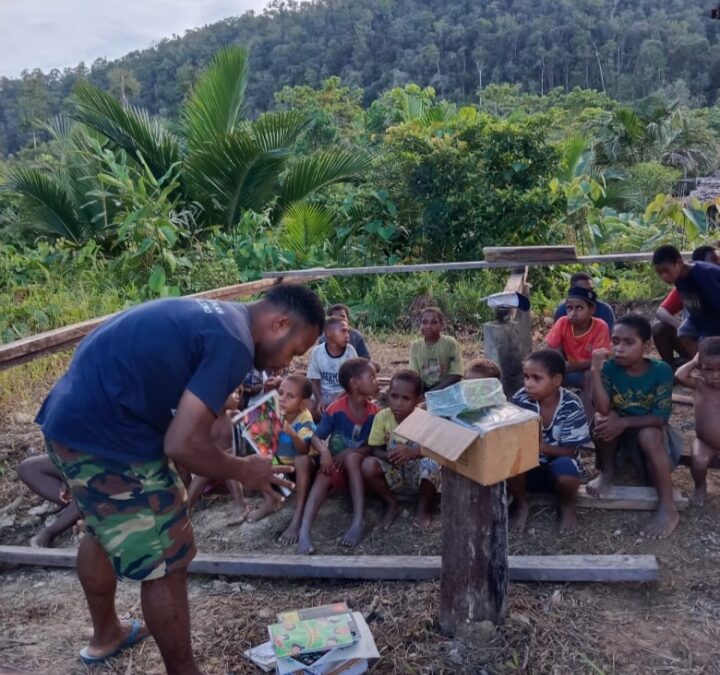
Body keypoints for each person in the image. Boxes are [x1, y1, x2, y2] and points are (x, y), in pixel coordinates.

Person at [35, 284, 324, 673]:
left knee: (102, 527)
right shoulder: (235, 343)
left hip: (68, 422)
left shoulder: (218, 316)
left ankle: (107, 634)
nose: (283, 366)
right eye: (293, 351)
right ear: (280, 323)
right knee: (168, 558)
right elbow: (183, 443)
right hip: (110, 440)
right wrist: (244, 469)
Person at [588, 314, 681, 539]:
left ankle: (668, 508)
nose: (619, 348)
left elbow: (660, 417)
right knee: (602, 420)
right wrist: (595, 372)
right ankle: (607, 472)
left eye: (629, 342)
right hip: (620, 430)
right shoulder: (609, 368)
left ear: (646, 346)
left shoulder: (661, 370)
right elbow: (601, 407)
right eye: (615, 341)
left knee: (648, 435)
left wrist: (624, 421)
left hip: (651, 431)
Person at [296, 358, 381, 555]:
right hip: (338, 469)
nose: (376, 381)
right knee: (325, 472)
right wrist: (325, 452)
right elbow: (316, 437)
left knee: (352, 458)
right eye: (372, 377)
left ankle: (358, 521)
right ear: (354, 383)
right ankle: (304, 531)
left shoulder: (375, 413)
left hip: (361, 472)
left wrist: (348, 453)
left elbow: (371, 447)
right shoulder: (335, 409)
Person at [508, 349, 590, 533]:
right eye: (526, 377)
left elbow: (570, 451)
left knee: (566, 469)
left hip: (558, 467)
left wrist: (539, 448)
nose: (528, 384)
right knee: (510, 461)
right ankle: (521, 504)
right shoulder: (521, 399)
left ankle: (567, 506)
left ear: (557, 381)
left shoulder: (571, 405)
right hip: (527, 469)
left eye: (537, 378)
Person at [368, 369, 441, 528]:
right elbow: (374, 449)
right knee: (368, 465)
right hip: (395, 470)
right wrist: (391, 456)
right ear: (388, 394)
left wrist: (414, 452)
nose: (398, 403)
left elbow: (438, 449)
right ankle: (391, 503)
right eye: (394, 396)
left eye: (406, 398)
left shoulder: (425, 419)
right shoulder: (383, 417)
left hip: (418, 473)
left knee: (432, 463)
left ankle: (424, 508)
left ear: (418, 399)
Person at [244, 374, 316, 536]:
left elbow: (304, 449)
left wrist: (291, 433)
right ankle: (270, 501)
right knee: (259, 455)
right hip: (279, 466)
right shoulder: (273, 411)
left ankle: (299, 513)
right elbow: (261, 443)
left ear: (303, 403)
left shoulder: (305, 419)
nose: (282, 398)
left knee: (301, 460)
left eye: (290, 396)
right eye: (281, 393)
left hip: (299, 469)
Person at [186, 388, 250, 526]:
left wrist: (225, 456)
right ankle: (185, 510)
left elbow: (242, 448)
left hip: (231, 467)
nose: (237, 396)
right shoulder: (204, 420)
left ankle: (240, 505)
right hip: (210, 470)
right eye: (233, 392)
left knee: (227, 465)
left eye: (239, 392)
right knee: (202, 474)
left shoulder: (235, 416)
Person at [545, 285, 611, 417]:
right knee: (549, 371)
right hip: (570, 368)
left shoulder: (600, 326)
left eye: (579, 308)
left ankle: (587, 421)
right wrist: (560, 363)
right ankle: (550, 415)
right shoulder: (563, 322)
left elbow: (598, 360)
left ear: (592, 309)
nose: (573, 313)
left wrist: (570, 368)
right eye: (569, 308)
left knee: (589, 375)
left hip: (595, 369)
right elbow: (549, 349)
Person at [652, 245, 720, 368]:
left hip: (714, 318)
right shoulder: (679, 277)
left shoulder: (704, 275)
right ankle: (702, 366)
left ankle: (710, 368)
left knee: (704, 342)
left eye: (666, 271)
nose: (664, 277)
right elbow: (662, 310)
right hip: (698, 317)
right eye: (659, 273)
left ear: (678, 262)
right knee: (684, 331)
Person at [674, 337, 720, 506]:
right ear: (701, 368)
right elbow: (679, 375)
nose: (715, 375)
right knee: (699, 462)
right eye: (708, 369)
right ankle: (700, 487)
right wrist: (694, 361)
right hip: (705, 441)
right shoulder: (700, 384)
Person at [17, 455, 82, 548]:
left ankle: (49, 532)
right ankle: (76, 510)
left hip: (104, 468)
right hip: (78, 462)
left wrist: (75, 479)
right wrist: (67, 478)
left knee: (94, 489)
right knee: (27, 468)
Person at [307, 316, 359, 415]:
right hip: (322, 396)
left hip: (344, 395)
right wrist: (319, 399)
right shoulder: (317, 352)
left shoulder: (350, 352)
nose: (347, 335)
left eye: (348, 331)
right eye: (343, 331)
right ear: (329, 333)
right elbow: (314, 380)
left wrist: (339, 399)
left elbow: (355, 381)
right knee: (306, 407)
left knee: (354, 408)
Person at [409, 307, 464, 392]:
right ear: (420, 325)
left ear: (442, 325)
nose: (428, 326)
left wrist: (433, 392)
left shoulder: (450, 343)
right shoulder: (415, 346)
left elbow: (456, 374)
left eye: (434, 322)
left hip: (447, 387)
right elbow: (414, 375)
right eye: (424, 322)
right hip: (424, 388)